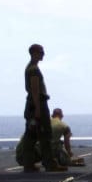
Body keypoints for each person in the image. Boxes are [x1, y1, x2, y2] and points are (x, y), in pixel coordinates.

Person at [21, 43, 62, 173]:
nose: (43, 54)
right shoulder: (33, 69)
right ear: (34, 53)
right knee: (45, 134)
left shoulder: (30, 67)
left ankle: (29, 164)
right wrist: (38, 109)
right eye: (41, 52)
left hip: (33, 104)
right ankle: (49, 164)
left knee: (31, 135)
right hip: (38, 103)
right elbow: (35, 89)